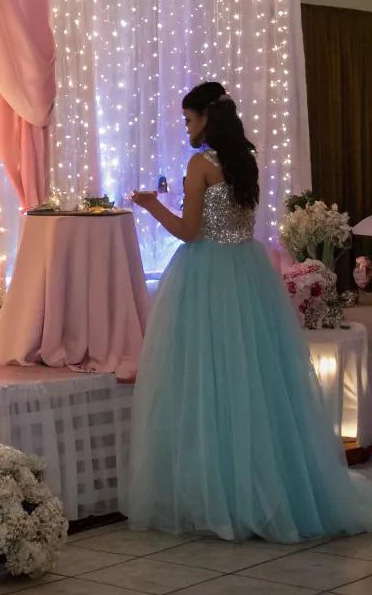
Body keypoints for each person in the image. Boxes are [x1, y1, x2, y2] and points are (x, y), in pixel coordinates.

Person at [124, 81, 372, 542]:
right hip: (247, 273)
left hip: (207, 277)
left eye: (188, 119)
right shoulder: (245, 163)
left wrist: (151, 205)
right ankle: (266, 487)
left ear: (204, 119)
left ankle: (219, 495)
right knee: (254, 381)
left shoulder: (199, 164)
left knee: (207, 381)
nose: (187, 127)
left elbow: (190, 231)